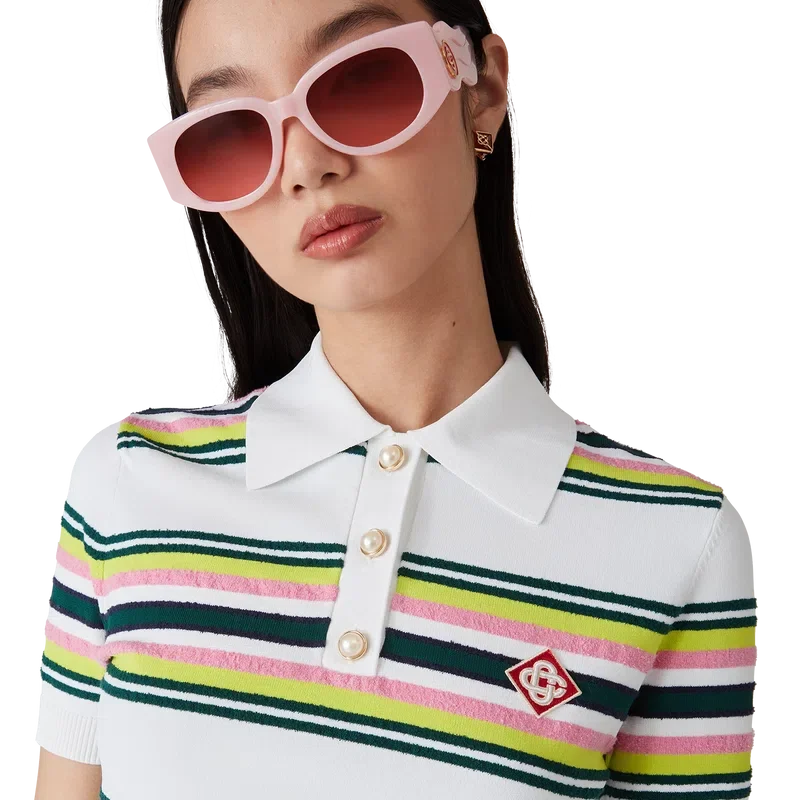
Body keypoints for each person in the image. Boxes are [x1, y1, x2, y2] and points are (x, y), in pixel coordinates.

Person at [33, 1, 758, 798]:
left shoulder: (679, 540)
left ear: (482, 89)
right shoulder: (126, 486)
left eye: (362, 82)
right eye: (231, 134)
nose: (305, 165)